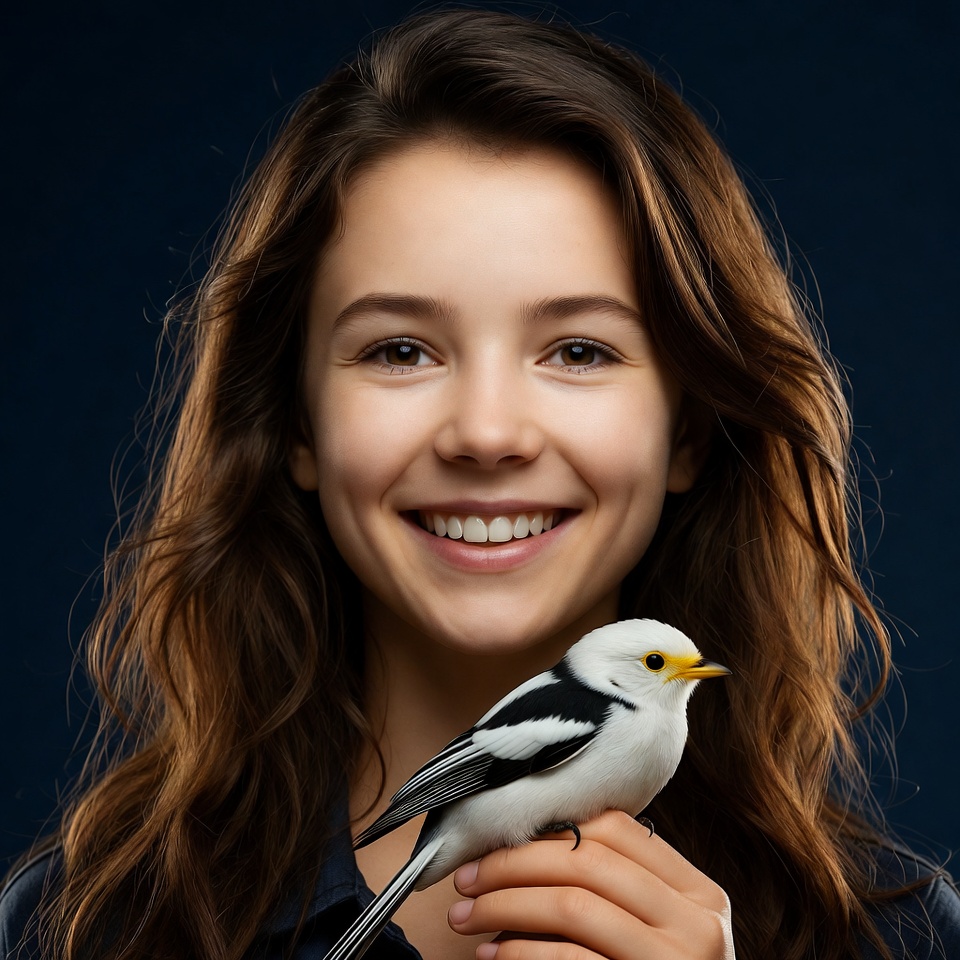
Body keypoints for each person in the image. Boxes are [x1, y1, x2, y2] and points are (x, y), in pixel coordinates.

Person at [2, 8, 958, 960]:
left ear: (689, 432)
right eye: (400, 350)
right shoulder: (78, 929)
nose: (487, 434)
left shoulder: (901, 940)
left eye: (579, 350)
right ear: (295, 426)